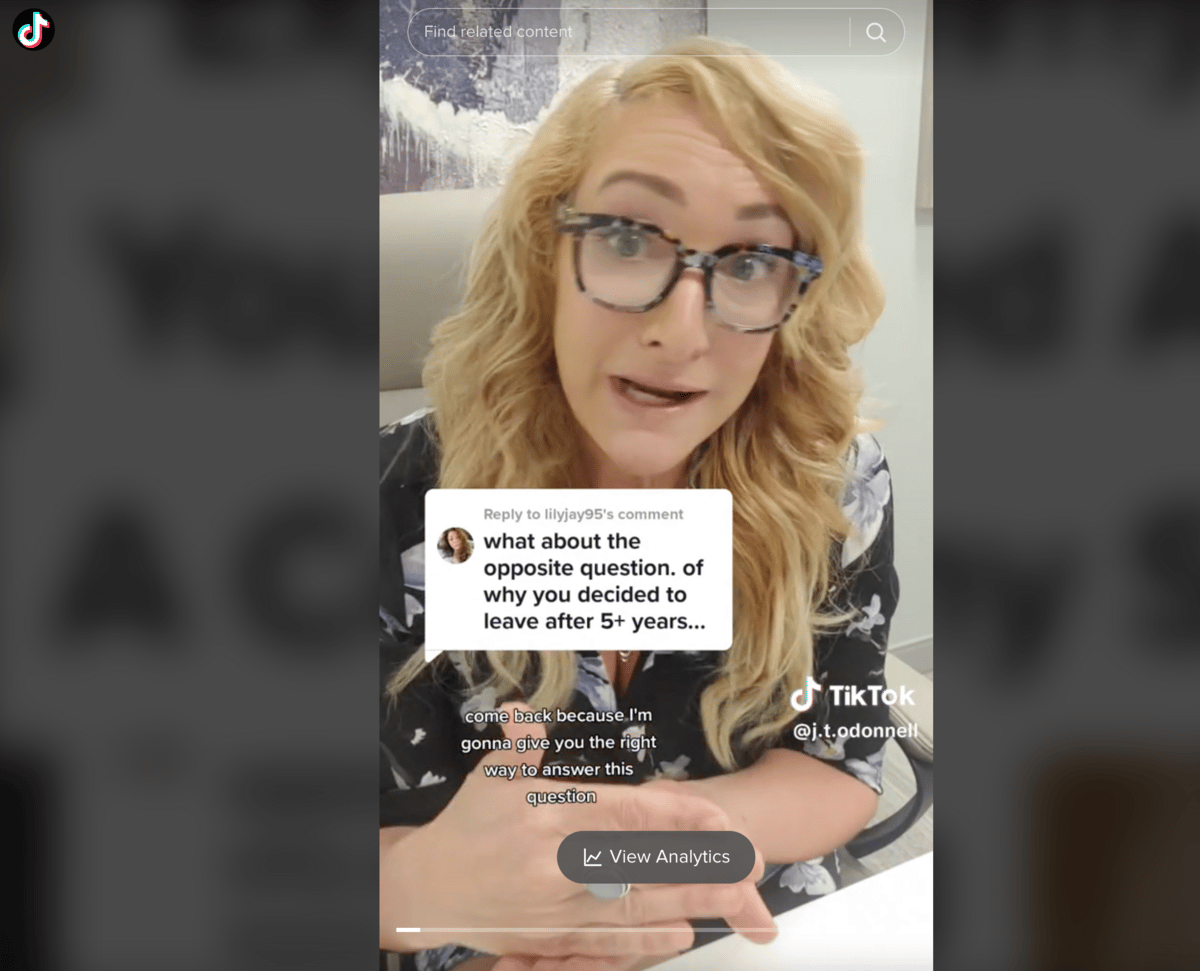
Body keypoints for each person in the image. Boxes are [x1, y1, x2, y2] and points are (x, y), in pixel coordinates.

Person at [380, 36, 899, 971]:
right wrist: (423, 887)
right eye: (627, 238)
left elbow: (840, 760)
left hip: (746, 922)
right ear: (545, 249)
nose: (680, 330)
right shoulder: (398, 497)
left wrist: (624, 865)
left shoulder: (831, 480)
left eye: (752, 261)